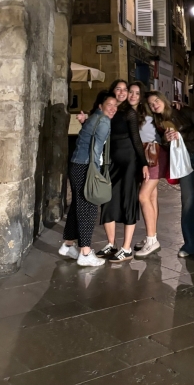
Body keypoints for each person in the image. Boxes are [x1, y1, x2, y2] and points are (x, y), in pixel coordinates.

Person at [147, 91, 194, 259]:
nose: (155, 104)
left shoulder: (183, 111)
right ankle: (190, 245)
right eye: (151, 104)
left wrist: (181, 135)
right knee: (187, 201)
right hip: (182, 160)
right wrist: (166, 139)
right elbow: (163, 145)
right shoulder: (157, 122)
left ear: (163, 99)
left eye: (156, 100)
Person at [59, 90, 118, 267]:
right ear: (101, 105)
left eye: (116, 106)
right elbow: (96, 149)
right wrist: (96, 171)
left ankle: (68, 245)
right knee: (88, 209)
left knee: (77, 207)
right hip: (86, 166)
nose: (113, 108)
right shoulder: (104, 121)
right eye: (110, 105)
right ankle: (85, 252)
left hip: (76, 164)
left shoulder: (94, 118)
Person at [98, 79, 149, 263]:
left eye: (124, 90)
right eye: (118, 89)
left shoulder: (129, 113)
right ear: (112, 91)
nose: (121, 92)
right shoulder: (107, 110)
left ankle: (126, 248)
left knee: (128, 201)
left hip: (129, 162)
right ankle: (111, 245)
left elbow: (136, 140)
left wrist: (143, 163)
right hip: (110, 163)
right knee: (107, 201)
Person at [128, 81, 167, 258]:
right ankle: (152, 236)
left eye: (137, 93)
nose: (133, 95)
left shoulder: (147, 112)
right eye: (131, 92)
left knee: (143, 196)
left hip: (153, 155)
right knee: (151, 196)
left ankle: (152, 240)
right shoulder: (131, 112)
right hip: (145, 156)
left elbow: (164, 114)